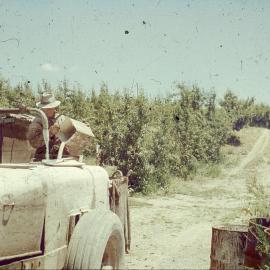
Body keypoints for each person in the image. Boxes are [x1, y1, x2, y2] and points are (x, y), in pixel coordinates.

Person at [27, 92, 69, 160]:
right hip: (43, 160)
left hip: (63, 159)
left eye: (50, 108)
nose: (47, 110)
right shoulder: (37, 122)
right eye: (45, 108)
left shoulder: (61, 118)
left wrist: (82, 128)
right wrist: (50, 132)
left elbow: (72, 138)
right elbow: (34, 143)